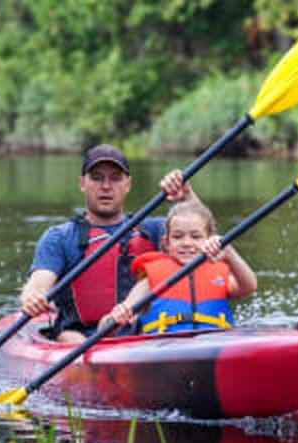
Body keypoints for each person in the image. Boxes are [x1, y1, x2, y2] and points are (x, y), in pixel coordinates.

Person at [19, 144, 195, 343]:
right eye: (97, 178)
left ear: (127, 184)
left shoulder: (156, 231)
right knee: (71, 338)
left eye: (115, 178)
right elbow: (38, 284)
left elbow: (206, 241)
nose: (106, 186)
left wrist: (187, 198)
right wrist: (32, 297)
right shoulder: (60, 237)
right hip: (81, 341)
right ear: (82, 183)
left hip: (150, 337)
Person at [99, 197, 257, 334]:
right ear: (166, 243)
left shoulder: (218, 272)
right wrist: (120, 312)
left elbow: (249, 286)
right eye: (178, 237)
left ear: (209, 239)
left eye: (196, 237)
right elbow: (130, 304)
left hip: (213, 343)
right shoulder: (152, 277)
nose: (187, 243)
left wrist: (230, 254)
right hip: (165, 348)